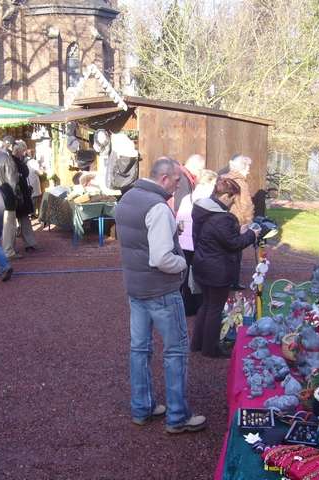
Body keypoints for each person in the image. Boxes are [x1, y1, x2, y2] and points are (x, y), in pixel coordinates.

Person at [115, 157, 206, 434]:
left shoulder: (128, 198)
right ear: (165, 178)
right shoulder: (158, 207)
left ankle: (142, 408)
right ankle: (177, 416)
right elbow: (161, 258)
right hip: (162, 291)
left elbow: (138, 241)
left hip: (136, 288)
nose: (179, 187)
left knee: (139, 349)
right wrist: (183, 265)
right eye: (178, 181)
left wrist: (170, 232)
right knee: (175, 352)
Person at [191, 177, 259, 357]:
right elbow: (234, 244)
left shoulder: (201, 209)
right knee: (215, 308)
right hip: (217, 269)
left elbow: (215, 237)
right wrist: (252, 234)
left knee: (206, 305)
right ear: (226, 196)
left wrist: (238, 231)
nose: (232, 203)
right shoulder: (222, 218)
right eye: (233, 199)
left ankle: (197, 343)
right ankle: (210, 349)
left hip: (202, 263)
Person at [175, 169, 218, 315]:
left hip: (184, 242)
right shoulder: (209, 201)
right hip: (199, 242)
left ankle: (187, 307)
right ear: (208, 183)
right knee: (200, 276)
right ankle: (199, 306)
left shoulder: (187, 198)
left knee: (186, 276)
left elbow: (179, 220)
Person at [220, 154, 255, 290]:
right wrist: (249, 224)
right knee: (235, 254)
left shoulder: (224, 179)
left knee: (225, 253)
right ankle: (232, 283)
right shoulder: (240, 182)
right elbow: (246, 205)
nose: (249, 170)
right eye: (247, 167)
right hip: (237, 222)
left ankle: (227, 281)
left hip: (224, 221)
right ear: (242, 167)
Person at [0, 137, 22, 259]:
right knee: (9, 224)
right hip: (6, 194)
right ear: (7, 146)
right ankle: (8, 251)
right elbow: (12, 179)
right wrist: (15, 194)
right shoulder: (7, 158)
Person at [11, 140, 38, 253]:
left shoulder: (19, 161)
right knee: (13, 221)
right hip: (17, 195)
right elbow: (23, 173)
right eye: (23, 150)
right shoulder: (14, 161)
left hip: (20, 194)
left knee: (22, 220)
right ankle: (25, 244)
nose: (24, 153)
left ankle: (27, 243)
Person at [26, 152, 43, 218]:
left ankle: (32, 213)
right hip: (34, 182)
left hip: (29, 182)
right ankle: (35, 214)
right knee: (36, 198)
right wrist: (42, 168)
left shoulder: (27, 162)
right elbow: (39, 173)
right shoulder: (34, 162)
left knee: (32, 198)